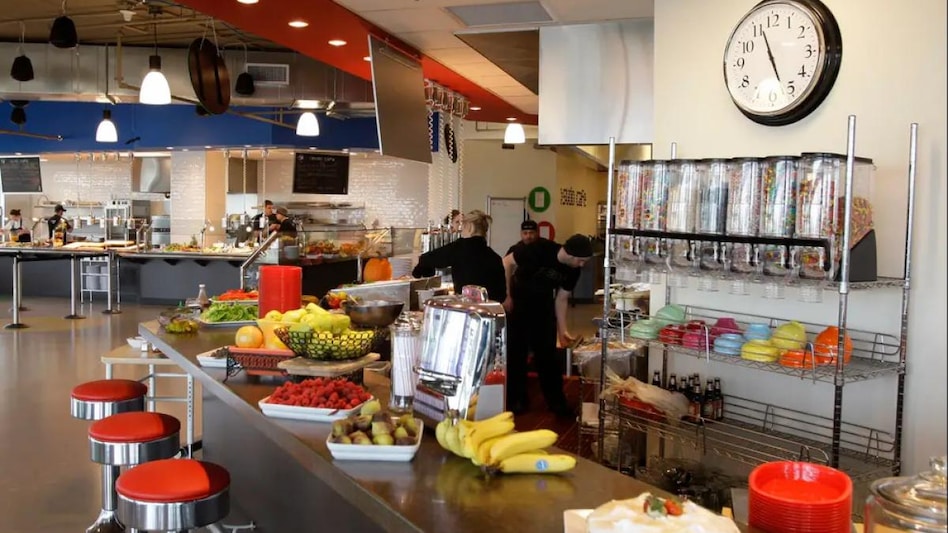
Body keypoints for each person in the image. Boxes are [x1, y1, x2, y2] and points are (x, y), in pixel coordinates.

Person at [503, 233, 594, 416]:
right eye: (581, 260)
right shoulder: (540, 249)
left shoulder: (573, 271)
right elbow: (506, 262)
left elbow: (561, 299)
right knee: (516, 354)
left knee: (548, 357)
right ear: (570, 254)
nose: (582, 265)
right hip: (519, 303)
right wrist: (506, 295)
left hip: (543, 306)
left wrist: (563, 330)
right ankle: (516, 400)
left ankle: (557, 402)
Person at [412, 210, 506, 302]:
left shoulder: (459, 248)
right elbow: (502, 296)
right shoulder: (495, 258)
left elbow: (428, 259)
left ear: (470, 227)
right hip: (490, 309)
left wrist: (419, 272)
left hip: (465, 308)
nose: (461, 231)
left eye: (463, 226)